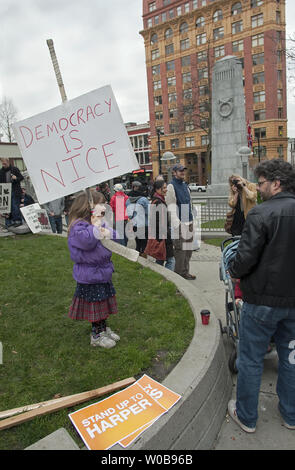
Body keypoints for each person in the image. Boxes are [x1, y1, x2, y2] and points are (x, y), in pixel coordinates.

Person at [228, 158, 295, 433]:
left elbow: (245, 258)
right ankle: (290, 414)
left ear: (276, 183)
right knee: (291, 359)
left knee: (252, 359)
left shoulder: (261, 214)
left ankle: (246, 416)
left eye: (263, 183)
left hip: (262, 302)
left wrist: (234, 270)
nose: (260, 188)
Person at [67, 190, 120, 348]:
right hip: (90, 274)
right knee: (96, 306)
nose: (104, 206)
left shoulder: (96, 222)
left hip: (102, 271)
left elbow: (115, 236)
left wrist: (107, 230)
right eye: (100, 203)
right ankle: (96, 335)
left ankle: (103, 328)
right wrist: (96, 226)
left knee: (103, 304)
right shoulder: (78, 227)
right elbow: (88, 241)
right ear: (88, 207)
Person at [165, 163, 195, 280]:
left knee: (188, 251)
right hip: (180, 224)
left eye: (183, 170)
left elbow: (189, 203)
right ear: (174, 172)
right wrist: (177, 224)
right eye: (180, 170)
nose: (183, 172)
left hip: (189, 221)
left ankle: (185, 272)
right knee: (180, 251)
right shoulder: (171, 186)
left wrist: (192, 220)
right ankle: (178, 278)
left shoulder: (184, 185)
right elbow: (171, 206)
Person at [147, 179, 175, 271]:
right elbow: (159, 222)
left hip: (160, 237)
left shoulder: (157, 201)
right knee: (171, 260)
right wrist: (166, 238)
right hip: (163, 237)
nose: (166, 189)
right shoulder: (159, 202)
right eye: (164, 188)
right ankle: (168, 279)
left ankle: (159, 278)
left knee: (160, 260)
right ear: (158, 189)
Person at [126, 181, 150, 257]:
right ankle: (143, 261)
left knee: (138, 243)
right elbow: (149, 212)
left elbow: (129, 215)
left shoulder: (128, 200)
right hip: (144, 225)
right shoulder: (144, 199)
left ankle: (138, 258)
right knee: (144, 244)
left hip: (135, 225)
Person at [0, 158, 24, 227]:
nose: (3, 165)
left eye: (4, 163)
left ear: (8, 162)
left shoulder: (14, 169)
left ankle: (18, 220)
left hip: (14, 190)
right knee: (8, 207)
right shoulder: (1, 171)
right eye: (2, 163)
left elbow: (21, 178)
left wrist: (16, 178)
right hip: (6, 191)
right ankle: (12, 221)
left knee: (15, 205)